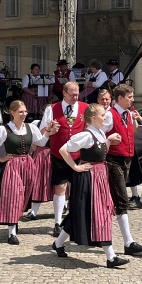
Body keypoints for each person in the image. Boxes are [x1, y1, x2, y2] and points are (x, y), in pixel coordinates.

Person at [52, 103, 130, 268]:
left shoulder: (100, 132)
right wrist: (75, 166)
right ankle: (111, 257)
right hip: (89, 178)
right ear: (93, 118)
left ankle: (58, 243)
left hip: (100, 176)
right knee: (99, 214)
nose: (105, 118)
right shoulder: (86, 135)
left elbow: (100, 153)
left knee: (81, 213)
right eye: (103, 115)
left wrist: (108, 141)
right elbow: (63, 150)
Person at [0, 101, 53, 245]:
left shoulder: (31, 127)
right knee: (13, 196)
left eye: (25, 111)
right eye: (21, 112)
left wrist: (48, 132)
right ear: (12, 112)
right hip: (12, 166)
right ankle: (11, 233)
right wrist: (0, 158)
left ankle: (15, 221)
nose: (24, 114)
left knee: (23, 196)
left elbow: (40, 143)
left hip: (28, 165)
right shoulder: (3, 130)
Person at [101, 84, 142, 256]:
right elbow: (99, 135)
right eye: (130, 97)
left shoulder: (128, 113)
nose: (133, 99)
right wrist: (109, 139)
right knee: (122, 200)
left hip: (126, 160)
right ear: (120, 98)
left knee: (111, 200)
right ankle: (129, 242)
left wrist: (134, 120)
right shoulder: (109, 115)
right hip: (113, 160)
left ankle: (63, 236)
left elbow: (132, 131)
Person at [39, 82, 87, 236]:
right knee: (60, 188)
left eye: (77, 94)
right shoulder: (52, 109)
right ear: (64, 94)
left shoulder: (85, 108)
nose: (75, 97)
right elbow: (41, 131)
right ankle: (58, 222)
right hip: (58, 154)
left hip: (78, 155)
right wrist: (50, 130)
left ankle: (75, 220)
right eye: (72, 94)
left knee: (77, 188)